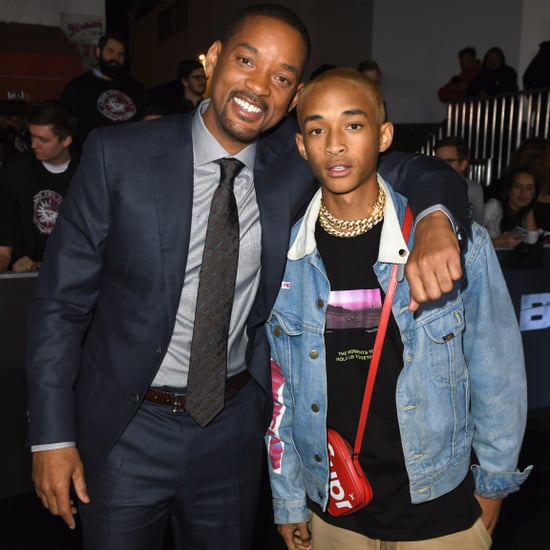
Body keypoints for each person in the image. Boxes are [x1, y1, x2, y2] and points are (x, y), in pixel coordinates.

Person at [26, 4, 471, 550]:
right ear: (212, 60)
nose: (260, 86)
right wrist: (51, 436)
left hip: (234, 428)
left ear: (294, 96)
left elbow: (414, 169)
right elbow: (59, 306)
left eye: (282, 78)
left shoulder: (296, 162)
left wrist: (433, 219)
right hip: (126, 429)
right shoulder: (116, 155)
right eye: (246, 61)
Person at [265, 67, 531, 550]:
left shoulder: (450, 242)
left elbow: (498, 370)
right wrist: (287, 497)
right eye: (317, 129)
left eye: (353, 124)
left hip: (439, 506)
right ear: (302, 146)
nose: (335, 144)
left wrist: (494, 482)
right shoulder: (286, 257)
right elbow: (281, 391)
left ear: (384, 135)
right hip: (335, 503)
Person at [0, 100, 78, 272]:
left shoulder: (88, 174)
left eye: (43, 139)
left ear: (66, 140)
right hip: (25, 274)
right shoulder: (15, 173)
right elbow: (4, 247)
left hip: (75, 272)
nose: (34, 145)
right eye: (32, 136)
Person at [59, 32, 147, 151]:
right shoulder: (77, 86)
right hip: (91, 157)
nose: (115, 58)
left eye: (120, 54)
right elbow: (64, 124)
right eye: (110, 51)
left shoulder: (136, 88)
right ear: (98, 52)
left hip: (130, 155)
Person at [482, 166, 540, 247]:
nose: (523, 192)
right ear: (509, 189)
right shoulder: (494, 206)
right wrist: (494, 242)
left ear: (534, 193)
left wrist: (529, 209)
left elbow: (532, 242)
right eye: (517, 187)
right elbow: (469, 239)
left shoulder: (532, 213)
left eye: (529, 188)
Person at [434, 136, 485, 224]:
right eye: (436, 161)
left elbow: (477, 227)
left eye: (448, 161)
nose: (440, 165)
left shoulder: (473, 189)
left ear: (463, 165)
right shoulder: (427, 187)